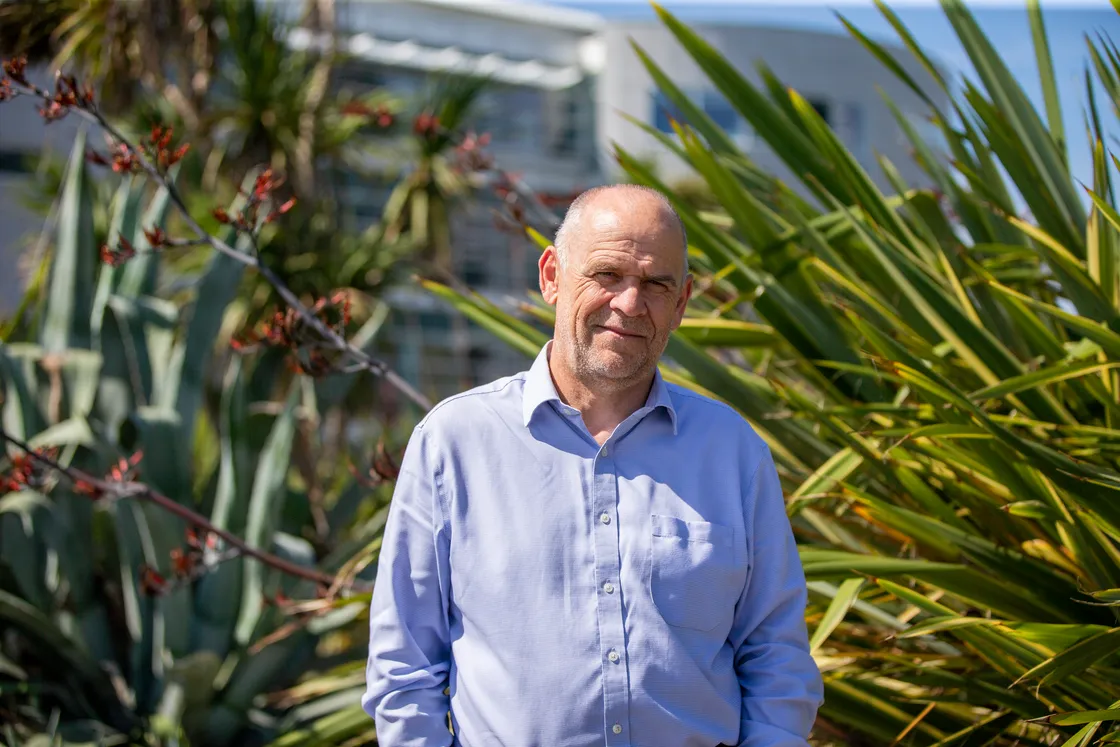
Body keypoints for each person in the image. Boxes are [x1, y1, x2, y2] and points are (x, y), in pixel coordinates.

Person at [362, 184, 824, 746]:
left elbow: (776, 656)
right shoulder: (454, 443)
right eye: (607, 274)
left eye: (657, 285)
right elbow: (403, 667)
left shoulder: (733, 454)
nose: (630, 303)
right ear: (552, 276)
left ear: (681, 304)